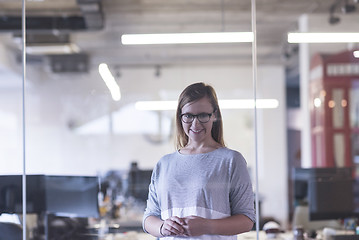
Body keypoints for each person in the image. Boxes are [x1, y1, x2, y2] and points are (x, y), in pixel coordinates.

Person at [143, 82, 255, 239]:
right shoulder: (164, 164)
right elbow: (149, 218)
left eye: (203, 115)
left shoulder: (231, 161)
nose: (195, 123)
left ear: (214, 115)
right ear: (180, 117)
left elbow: (246, 220)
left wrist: (207, 226)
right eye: (188, 116)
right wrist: (162, 227)